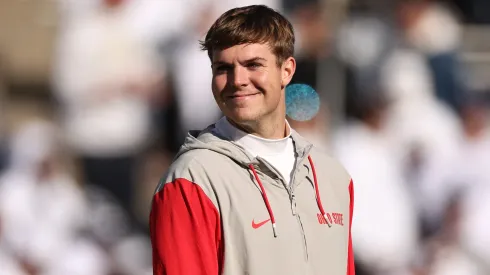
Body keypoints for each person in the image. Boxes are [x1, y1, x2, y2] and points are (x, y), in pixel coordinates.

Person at [149, 5, 355, 275]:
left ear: (287, 70)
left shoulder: (333, 177)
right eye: (223, 68)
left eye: (253, 65)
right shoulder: (192, 180)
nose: (237, 80)